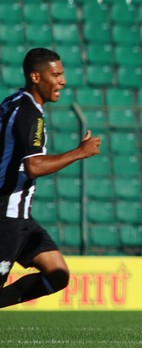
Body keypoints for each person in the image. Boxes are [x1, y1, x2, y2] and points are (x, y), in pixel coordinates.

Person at [0, 48, 102, 309]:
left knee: (57, 273)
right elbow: (33, 166)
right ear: (36, 76)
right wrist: (79, 153)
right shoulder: (29, 114)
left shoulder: (12, 102)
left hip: (20, 216)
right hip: (6, 215)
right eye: (55, 75)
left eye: (62, 74)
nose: (62, 81)